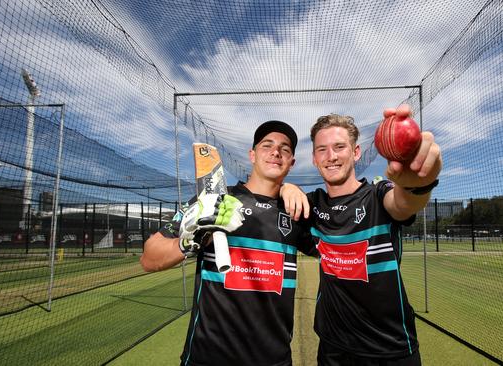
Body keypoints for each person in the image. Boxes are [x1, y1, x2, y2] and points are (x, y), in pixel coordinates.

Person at [140, 121, 317, 366]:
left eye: (285, 149)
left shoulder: (296, 211)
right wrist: (190, 241)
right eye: (267, 145)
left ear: (291, 162)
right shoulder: (212, 202)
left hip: (273, 360)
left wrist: (292, 188)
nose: (276, 152)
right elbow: (149, 258)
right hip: (207, 358)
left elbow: (340, 247)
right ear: (252, 155)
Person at [283, 105, 442, 365]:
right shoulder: (311, 205)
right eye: (322, 149)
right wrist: (285, 188)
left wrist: (418, 183)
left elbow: (402, 204)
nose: (331, 156)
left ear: (356, 152)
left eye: (339, 147)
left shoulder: (378, 195)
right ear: (314, 158)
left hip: (391, 349)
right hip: (333, 348)